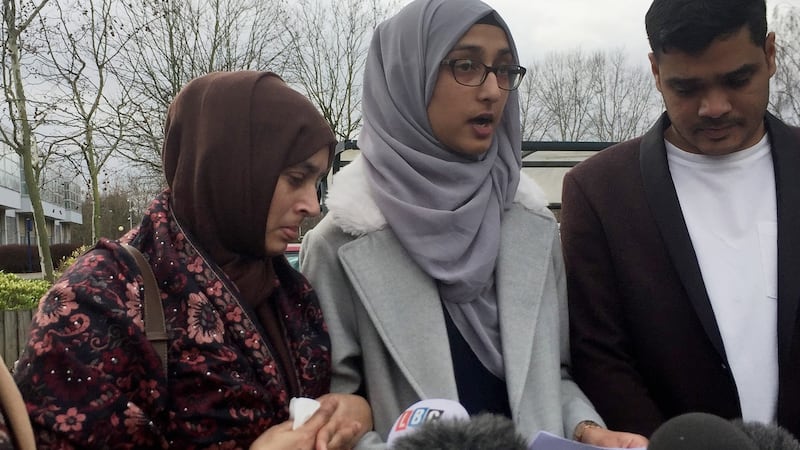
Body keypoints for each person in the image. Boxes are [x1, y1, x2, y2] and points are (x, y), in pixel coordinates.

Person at [300, 0, 647, 447]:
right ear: (409, 75)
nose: (492, 90)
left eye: (504, 70)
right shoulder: (340, 244)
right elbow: (332, 413)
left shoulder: (533, 228)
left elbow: (553, 375)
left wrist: (588, 430)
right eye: (466, 65)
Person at [13, 71, 371, 449]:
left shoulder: (290, 292)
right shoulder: (96, 301)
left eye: (315, 183)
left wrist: (356, 411)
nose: (313, 207)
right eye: (295, 178)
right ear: (232, 168)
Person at [560, 0, 800, 439]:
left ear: (770, 54)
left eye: (736, 79)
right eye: (687, 88)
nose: (714, 107)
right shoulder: (598, 192)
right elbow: (599, 356)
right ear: (655, 71)